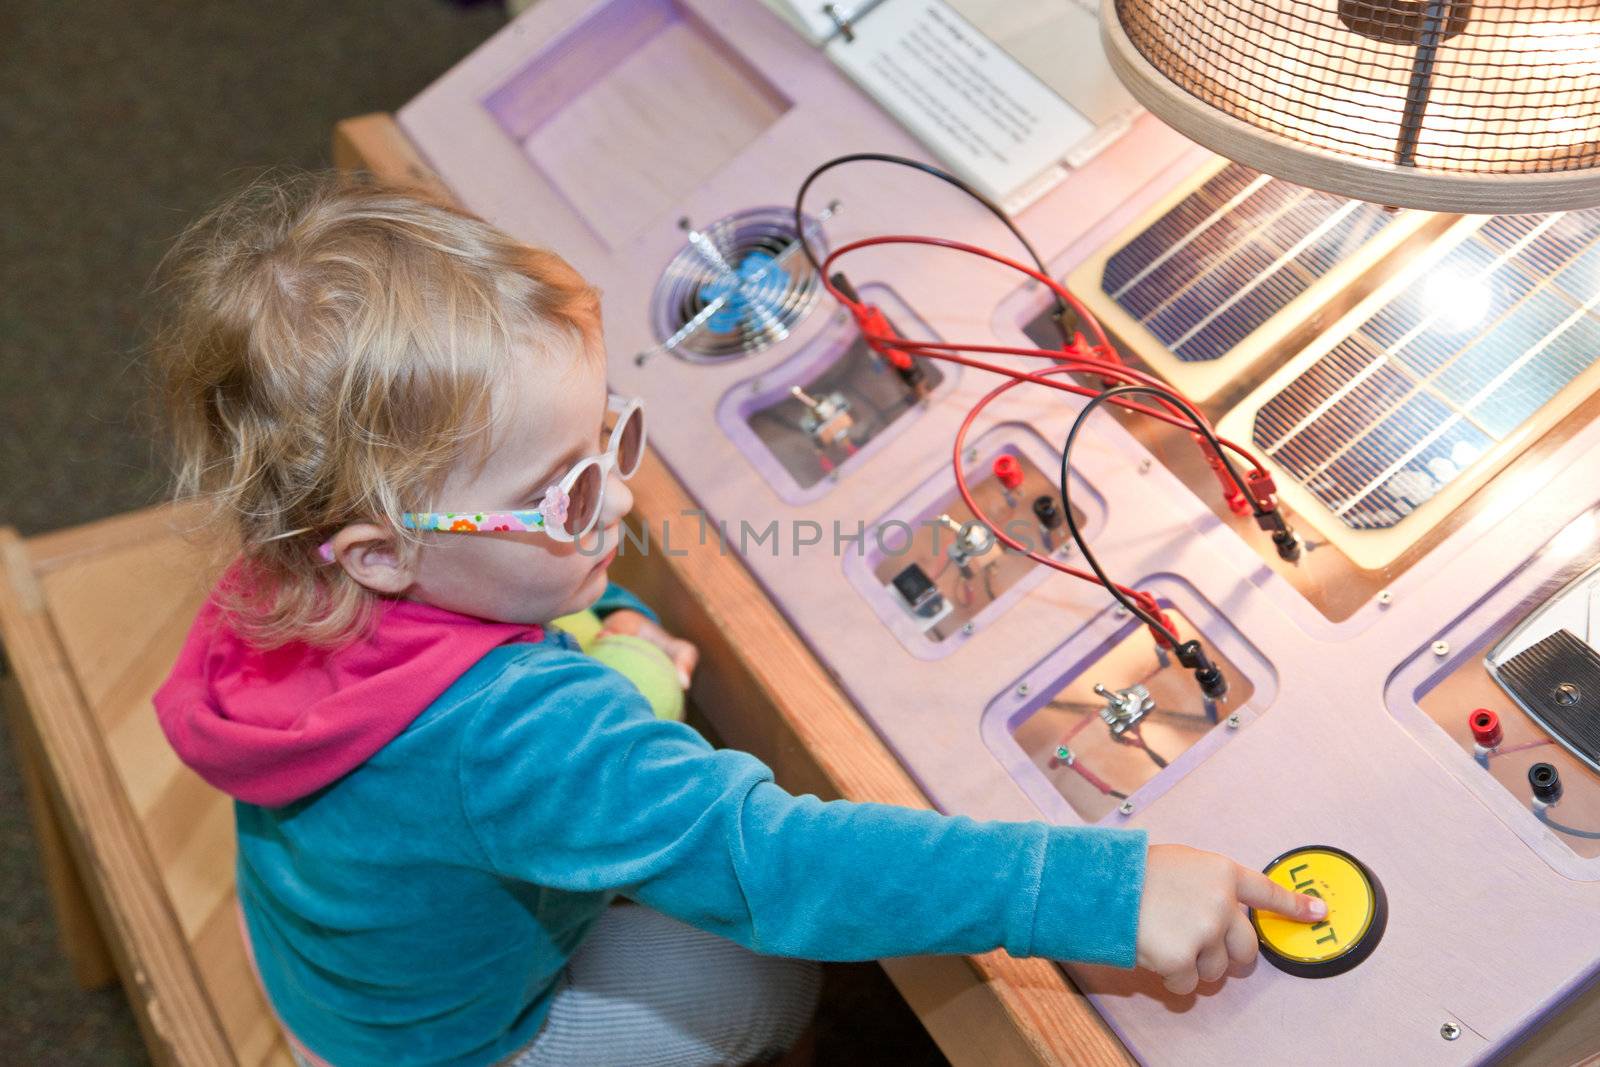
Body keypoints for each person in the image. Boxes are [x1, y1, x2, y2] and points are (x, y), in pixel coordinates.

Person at [151, 175, 1324, 1067]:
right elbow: (777, 863)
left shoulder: (285, 569)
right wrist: (1097, 890)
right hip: (452, 1043)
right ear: (380, 551)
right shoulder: (515, 737)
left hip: (334, 976)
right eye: (559, 492)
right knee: (758, 975)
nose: (616, 497)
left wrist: (599, 612)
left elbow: (505, 633)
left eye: (607, 434)